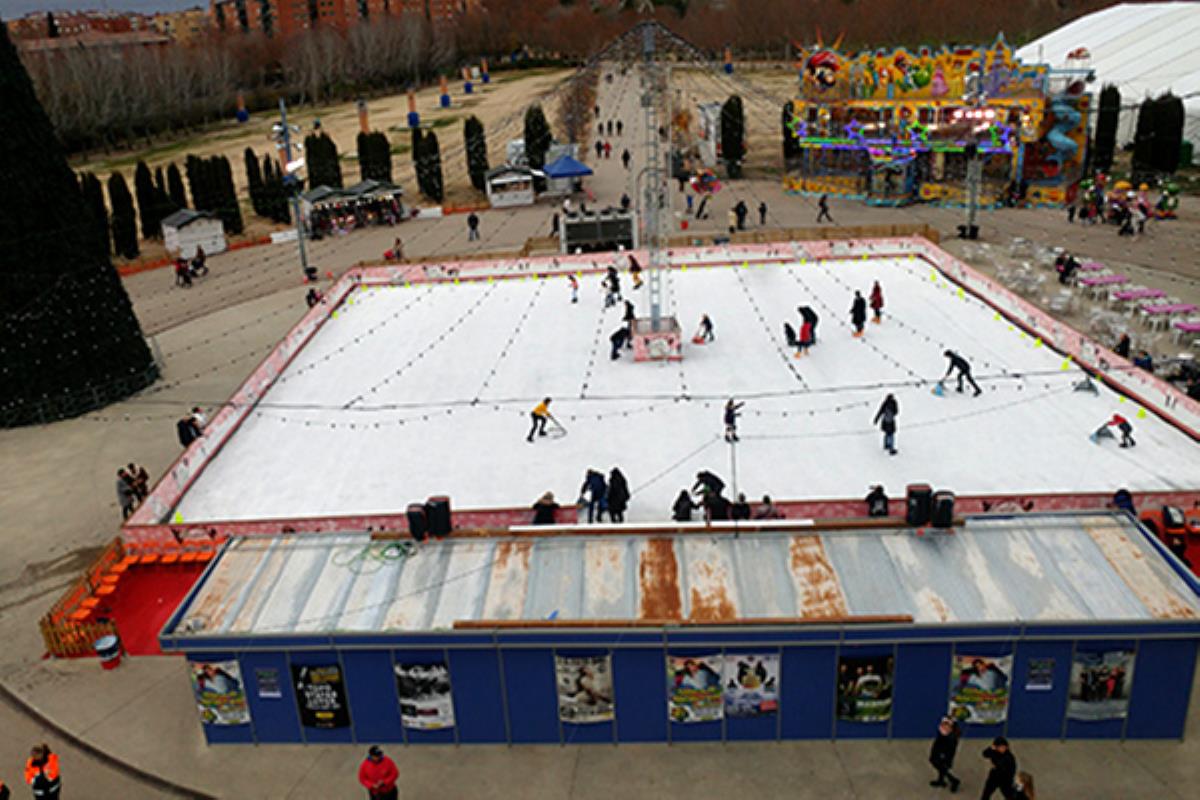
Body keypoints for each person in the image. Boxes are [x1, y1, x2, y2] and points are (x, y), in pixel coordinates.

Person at [929, 717, 962, 791]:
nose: (943, 725)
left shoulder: (951, 736)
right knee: (939, 764)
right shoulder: (944, 731)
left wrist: (943, 754)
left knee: (941, 765)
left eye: (946, 724)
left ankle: (954, 780)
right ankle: (941, 780)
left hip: (944, 753)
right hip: (938, 750)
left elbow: (950, 747)